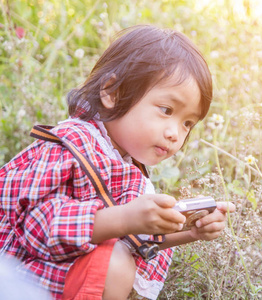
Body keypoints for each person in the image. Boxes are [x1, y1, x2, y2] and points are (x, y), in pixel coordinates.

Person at [0, 25, 235, 300]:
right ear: (112, 92)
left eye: (187, 123)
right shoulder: (71, 146)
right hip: (17, 279)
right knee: (115, 261)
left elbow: (137, 239)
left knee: (119, 255)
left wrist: (191, 232)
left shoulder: (124, 165)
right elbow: (37, 227)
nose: (175, 133)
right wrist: (124, 218)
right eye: (166, 110)